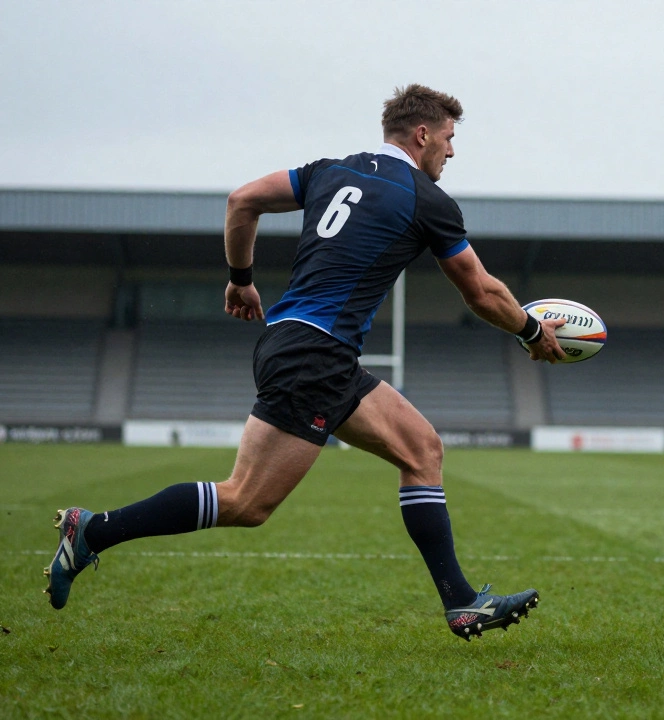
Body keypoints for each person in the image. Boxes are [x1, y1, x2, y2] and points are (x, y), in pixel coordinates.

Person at [44, 85, 567, 641]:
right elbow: (481, 291)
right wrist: (532, 330)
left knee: (422, 449)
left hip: (302, 346)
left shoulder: (327, 171)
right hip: (314, 355)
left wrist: (241, 279)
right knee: (247, 500)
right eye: (448, 139)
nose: (452, 152)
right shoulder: (426, 199)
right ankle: (92, 531)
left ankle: (461, 603)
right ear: (422, 135)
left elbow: (241, 200)